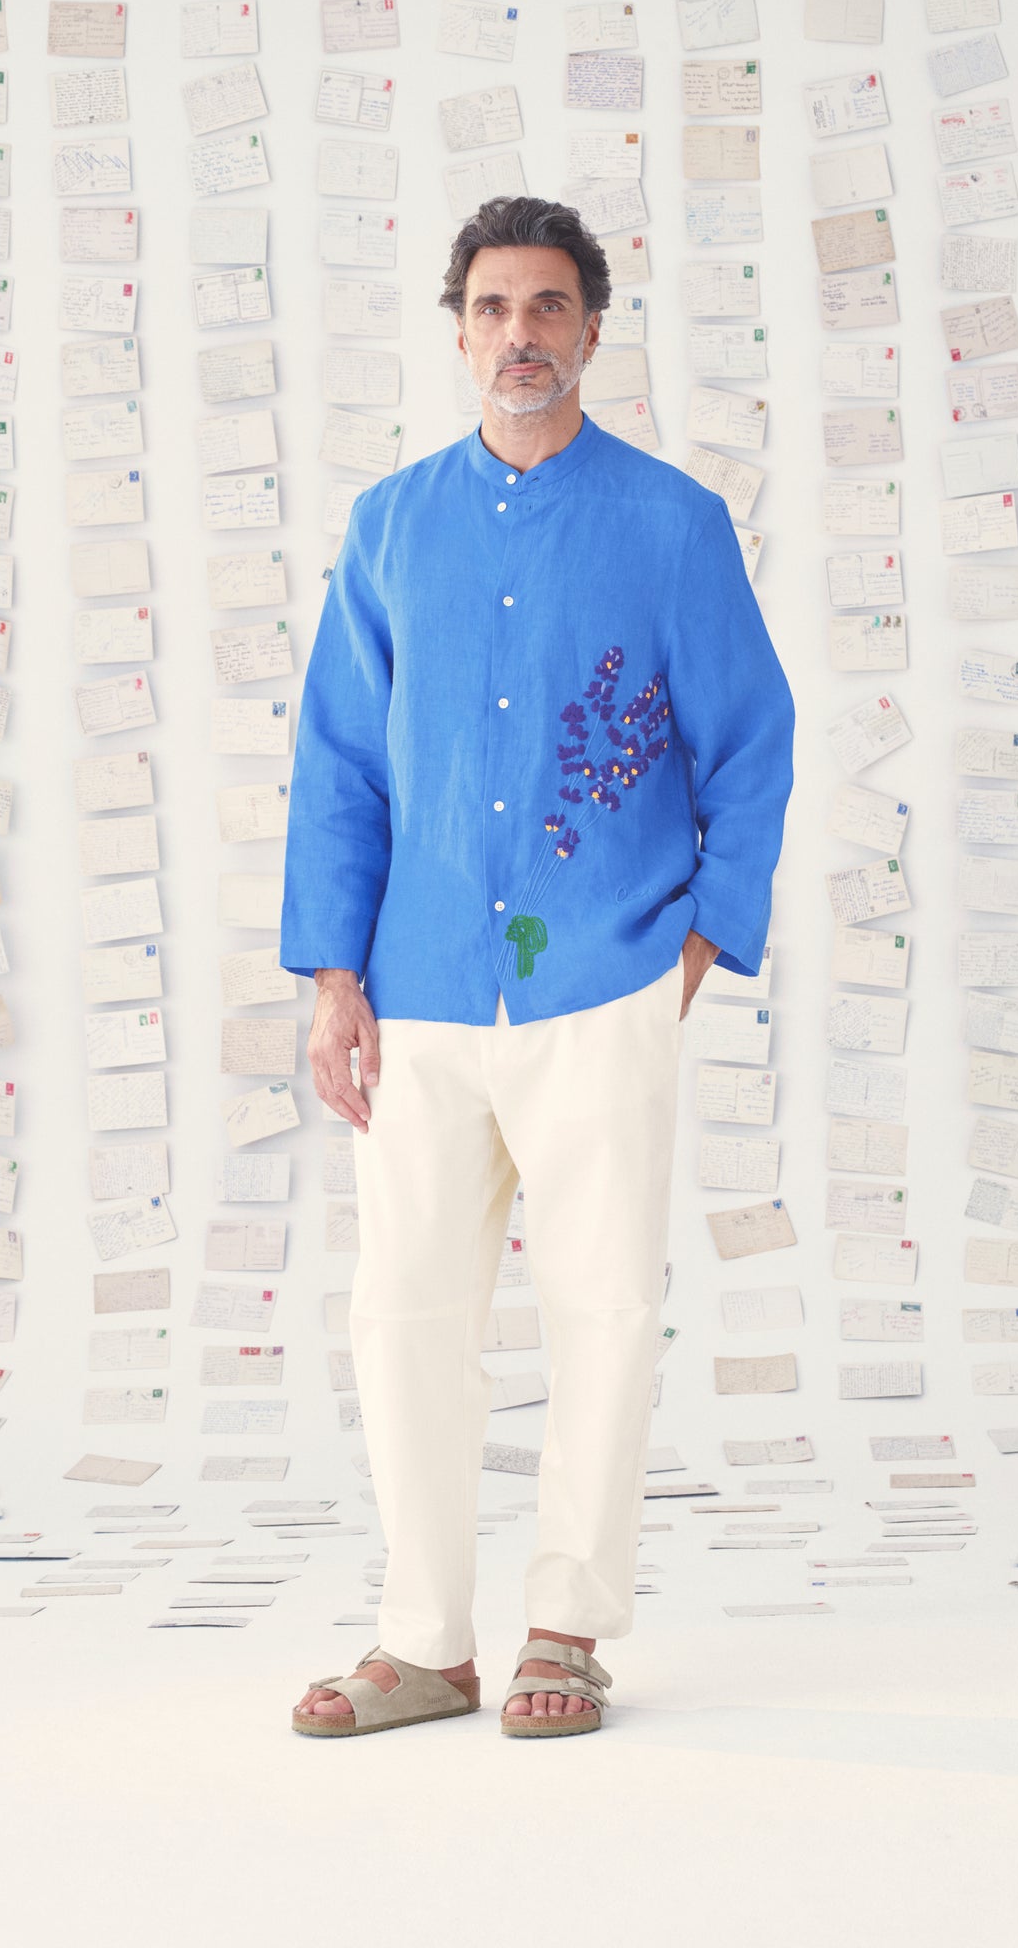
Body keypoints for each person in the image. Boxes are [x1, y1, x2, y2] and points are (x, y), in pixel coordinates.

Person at [279, 195, 796, 1738]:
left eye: (549, 305)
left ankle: (564, 1628)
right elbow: (339, 761)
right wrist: (332, 976)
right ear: (458, 331)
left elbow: (749, 742)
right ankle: (424, 1644)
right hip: (420, 983)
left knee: (603, 1308)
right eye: (494, 306)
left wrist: (694, 943)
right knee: (404, 1315)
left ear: (591, 328)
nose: (521, 334)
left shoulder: (670, 525)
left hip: (604, 975)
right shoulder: (389, 526)